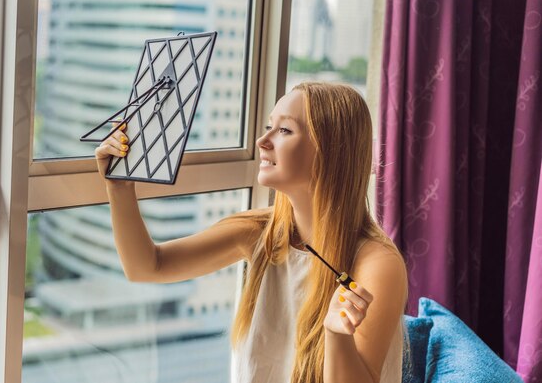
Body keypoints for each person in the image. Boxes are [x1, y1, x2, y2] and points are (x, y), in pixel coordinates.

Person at [95, 82, 408, 383]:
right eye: (269, 126)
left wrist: (337, 336)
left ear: (331, 152)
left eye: (284, 130)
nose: (263, 140)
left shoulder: (377, 265)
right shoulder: (260, 233)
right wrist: (119, 186)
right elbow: (147, 266)